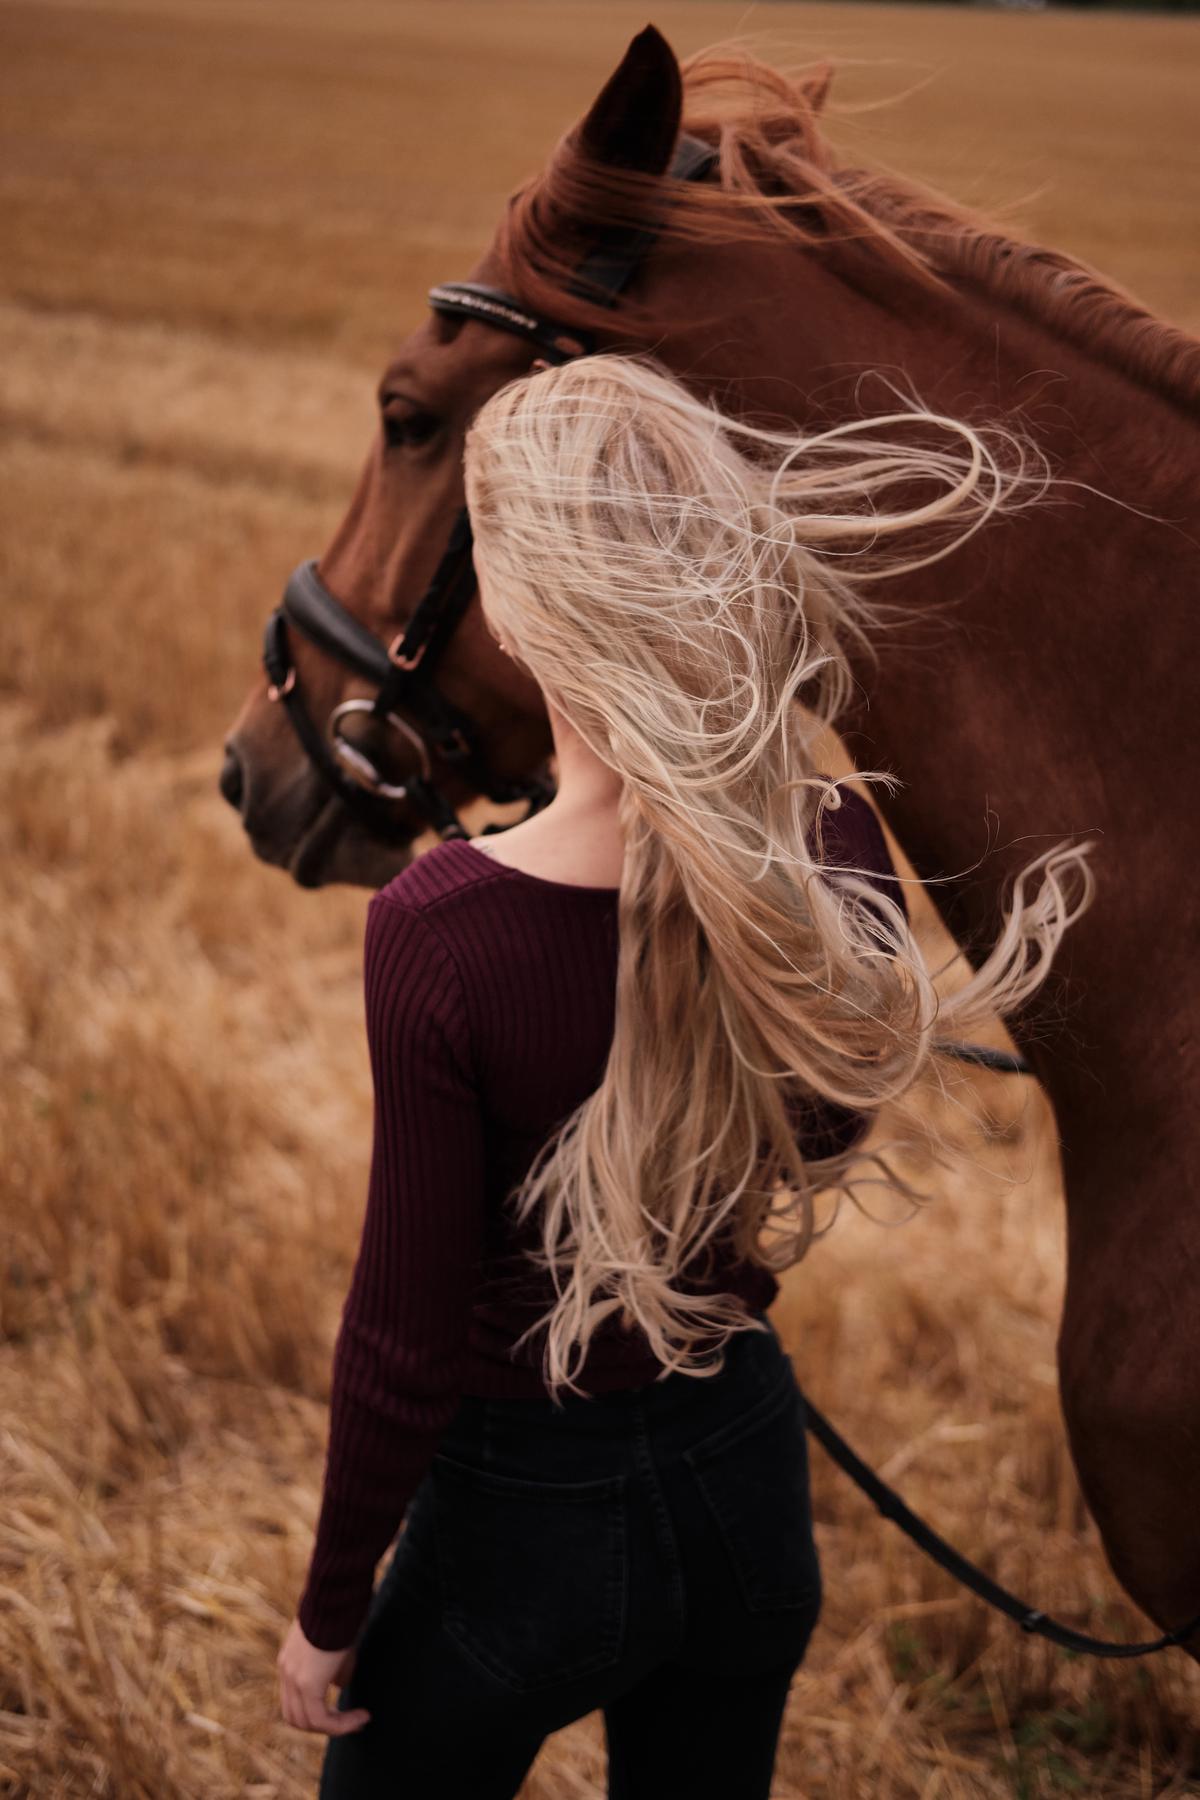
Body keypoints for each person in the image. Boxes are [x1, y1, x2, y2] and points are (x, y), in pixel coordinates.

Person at [276, 355, 1093, 1797]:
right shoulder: (827, 840)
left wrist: (328, 1615)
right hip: (743, 1489)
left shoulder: (438, 930)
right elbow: (826, 1119)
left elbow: (403, 1336)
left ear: (521, 615)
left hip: (510, 1536)